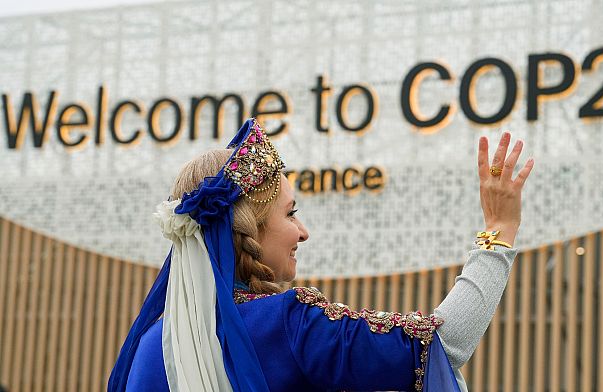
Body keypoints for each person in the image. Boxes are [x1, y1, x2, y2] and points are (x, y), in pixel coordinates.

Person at [108, 118, 534, 391]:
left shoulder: (149, 347)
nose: (303, 231)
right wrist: (498, 231)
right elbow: (443, 343)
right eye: (291, 213)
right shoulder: (291, 323)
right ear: (249, 229)